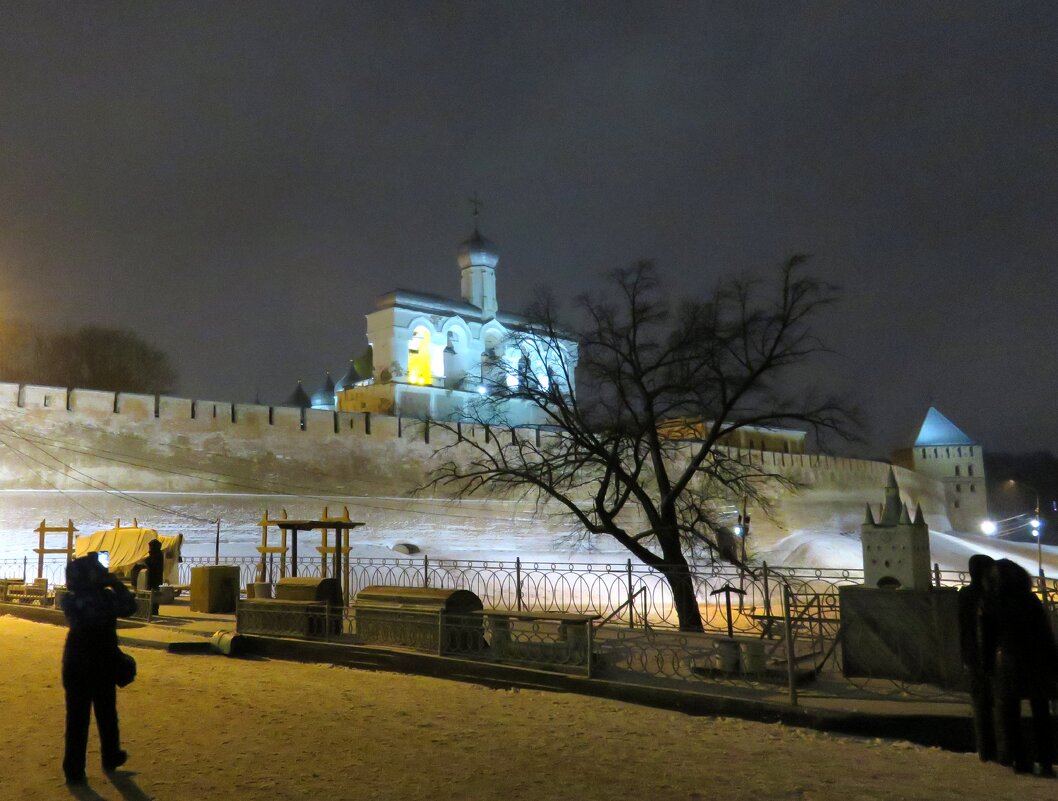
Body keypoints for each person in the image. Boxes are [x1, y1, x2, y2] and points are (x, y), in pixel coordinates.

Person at [61, 552, 138, 784]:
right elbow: (130, 607)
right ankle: (110, 757)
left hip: (75, 662)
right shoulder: (103, 599)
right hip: (101, 660)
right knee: (106, 713)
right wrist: (115, 583)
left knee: (77, 718)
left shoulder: (69, 599)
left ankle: (74, 770)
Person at [986, 558, 1057, 776]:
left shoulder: (993, 602)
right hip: (1036, 662)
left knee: (1011, 714)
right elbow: (1045, 634)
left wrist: (987, 665)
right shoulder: (1031, 601)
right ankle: (1045, 761)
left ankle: (1020, 760)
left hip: (1008, 663)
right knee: (1041, 713)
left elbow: (987, 638)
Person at [958, 554, 995, 761]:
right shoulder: (990, 595)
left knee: (981, 705)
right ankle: (996, 749)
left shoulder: (966, 595)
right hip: (989, 656)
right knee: (994, 703)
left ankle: (986, 750)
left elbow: (962, 628)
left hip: (973, 655)